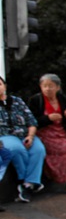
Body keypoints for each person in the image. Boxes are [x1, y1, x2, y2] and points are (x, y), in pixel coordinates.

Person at [0, 75, 47, 203]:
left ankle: (28, 184)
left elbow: (31, 121)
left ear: (4, 86)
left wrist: (30, 136)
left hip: (24, 133)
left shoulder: (17, 101)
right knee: (16, 149)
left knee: (38, 150)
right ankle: (26, 180)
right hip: (5, 135)